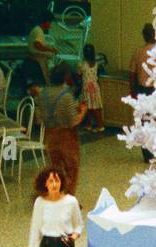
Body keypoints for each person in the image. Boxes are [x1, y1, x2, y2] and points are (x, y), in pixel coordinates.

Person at [36, 64, 86, 197]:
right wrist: (83, 111)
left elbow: (38, 117)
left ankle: (56, 194)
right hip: (66, 135)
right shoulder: (66, 96)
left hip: (50, 134)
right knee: (71, 168)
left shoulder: (43, 94)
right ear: (66, 77)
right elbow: (73, 121)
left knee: (56, 168)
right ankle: (69, 197)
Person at [25, 166, 82, 247]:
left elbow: (78, 226)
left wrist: (74, 236)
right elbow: (35, 229)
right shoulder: (40, 202)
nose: (55, 184)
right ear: (45, 183)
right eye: (51, 181)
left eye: (57, 180)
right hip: (47, 246)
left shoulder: (71, 201)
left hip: (66, 246)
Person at [129, 23, 156, 162]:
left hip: (142, 90)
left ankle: (147, 153)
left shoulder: (138, 52)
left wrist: (133, 91)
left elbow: (132, 74)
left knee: (145, 123)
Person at [22, 17, 58, 89]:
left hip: (34, 55)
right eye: (49, 22)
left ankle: (49, 81)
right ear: (45, 22)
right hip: (36, 56)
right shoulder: (38, 31)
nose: (50, 25)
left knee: (53, 56)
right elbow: (37, 45)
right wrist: (49, 49)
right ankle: (48, 82)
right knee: (52, 57)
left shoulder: (38, 29)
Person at [78, 44, 104, 133]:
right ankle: (98, 125)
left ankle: (92, 124)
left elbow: (78, 74)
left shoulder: (82, 64)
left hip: (86, 88)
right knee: (96, 107)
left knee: (88, 107)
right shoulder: (96, 64)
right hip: (95, 87)